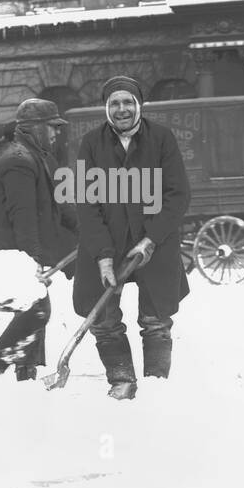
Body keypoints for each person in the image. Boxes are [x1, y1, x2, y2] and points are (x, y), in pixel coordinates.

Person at [72, 75, 191, 400]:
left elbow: (177, 195)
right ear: (106, 108)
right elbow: (86, 201)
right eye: (114, 103)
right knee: (104, 318)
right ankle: (122, 379)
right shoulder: (91, 144)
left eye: (127, 102)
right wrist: (103, 254)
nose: (121, 109)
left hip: (155, 242)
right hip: (106, 242)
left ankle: (156, 384)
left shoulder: (162, 139)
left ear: (139, 105)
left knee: (155, 319)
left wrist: (152, 238)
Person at [0, 99, 79, 381]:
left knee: (34, 311)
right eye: (53, 127)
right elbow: (23, 219)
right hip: (7, 252)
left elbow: (60, 205)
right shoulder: (18, 162)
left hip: (19, 251)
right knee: (36, 312)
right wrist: (31, 263)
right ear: (35, 129)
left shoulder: (36, 157)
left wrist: (86, 230)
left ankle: (21, 375)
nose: (57, 133)